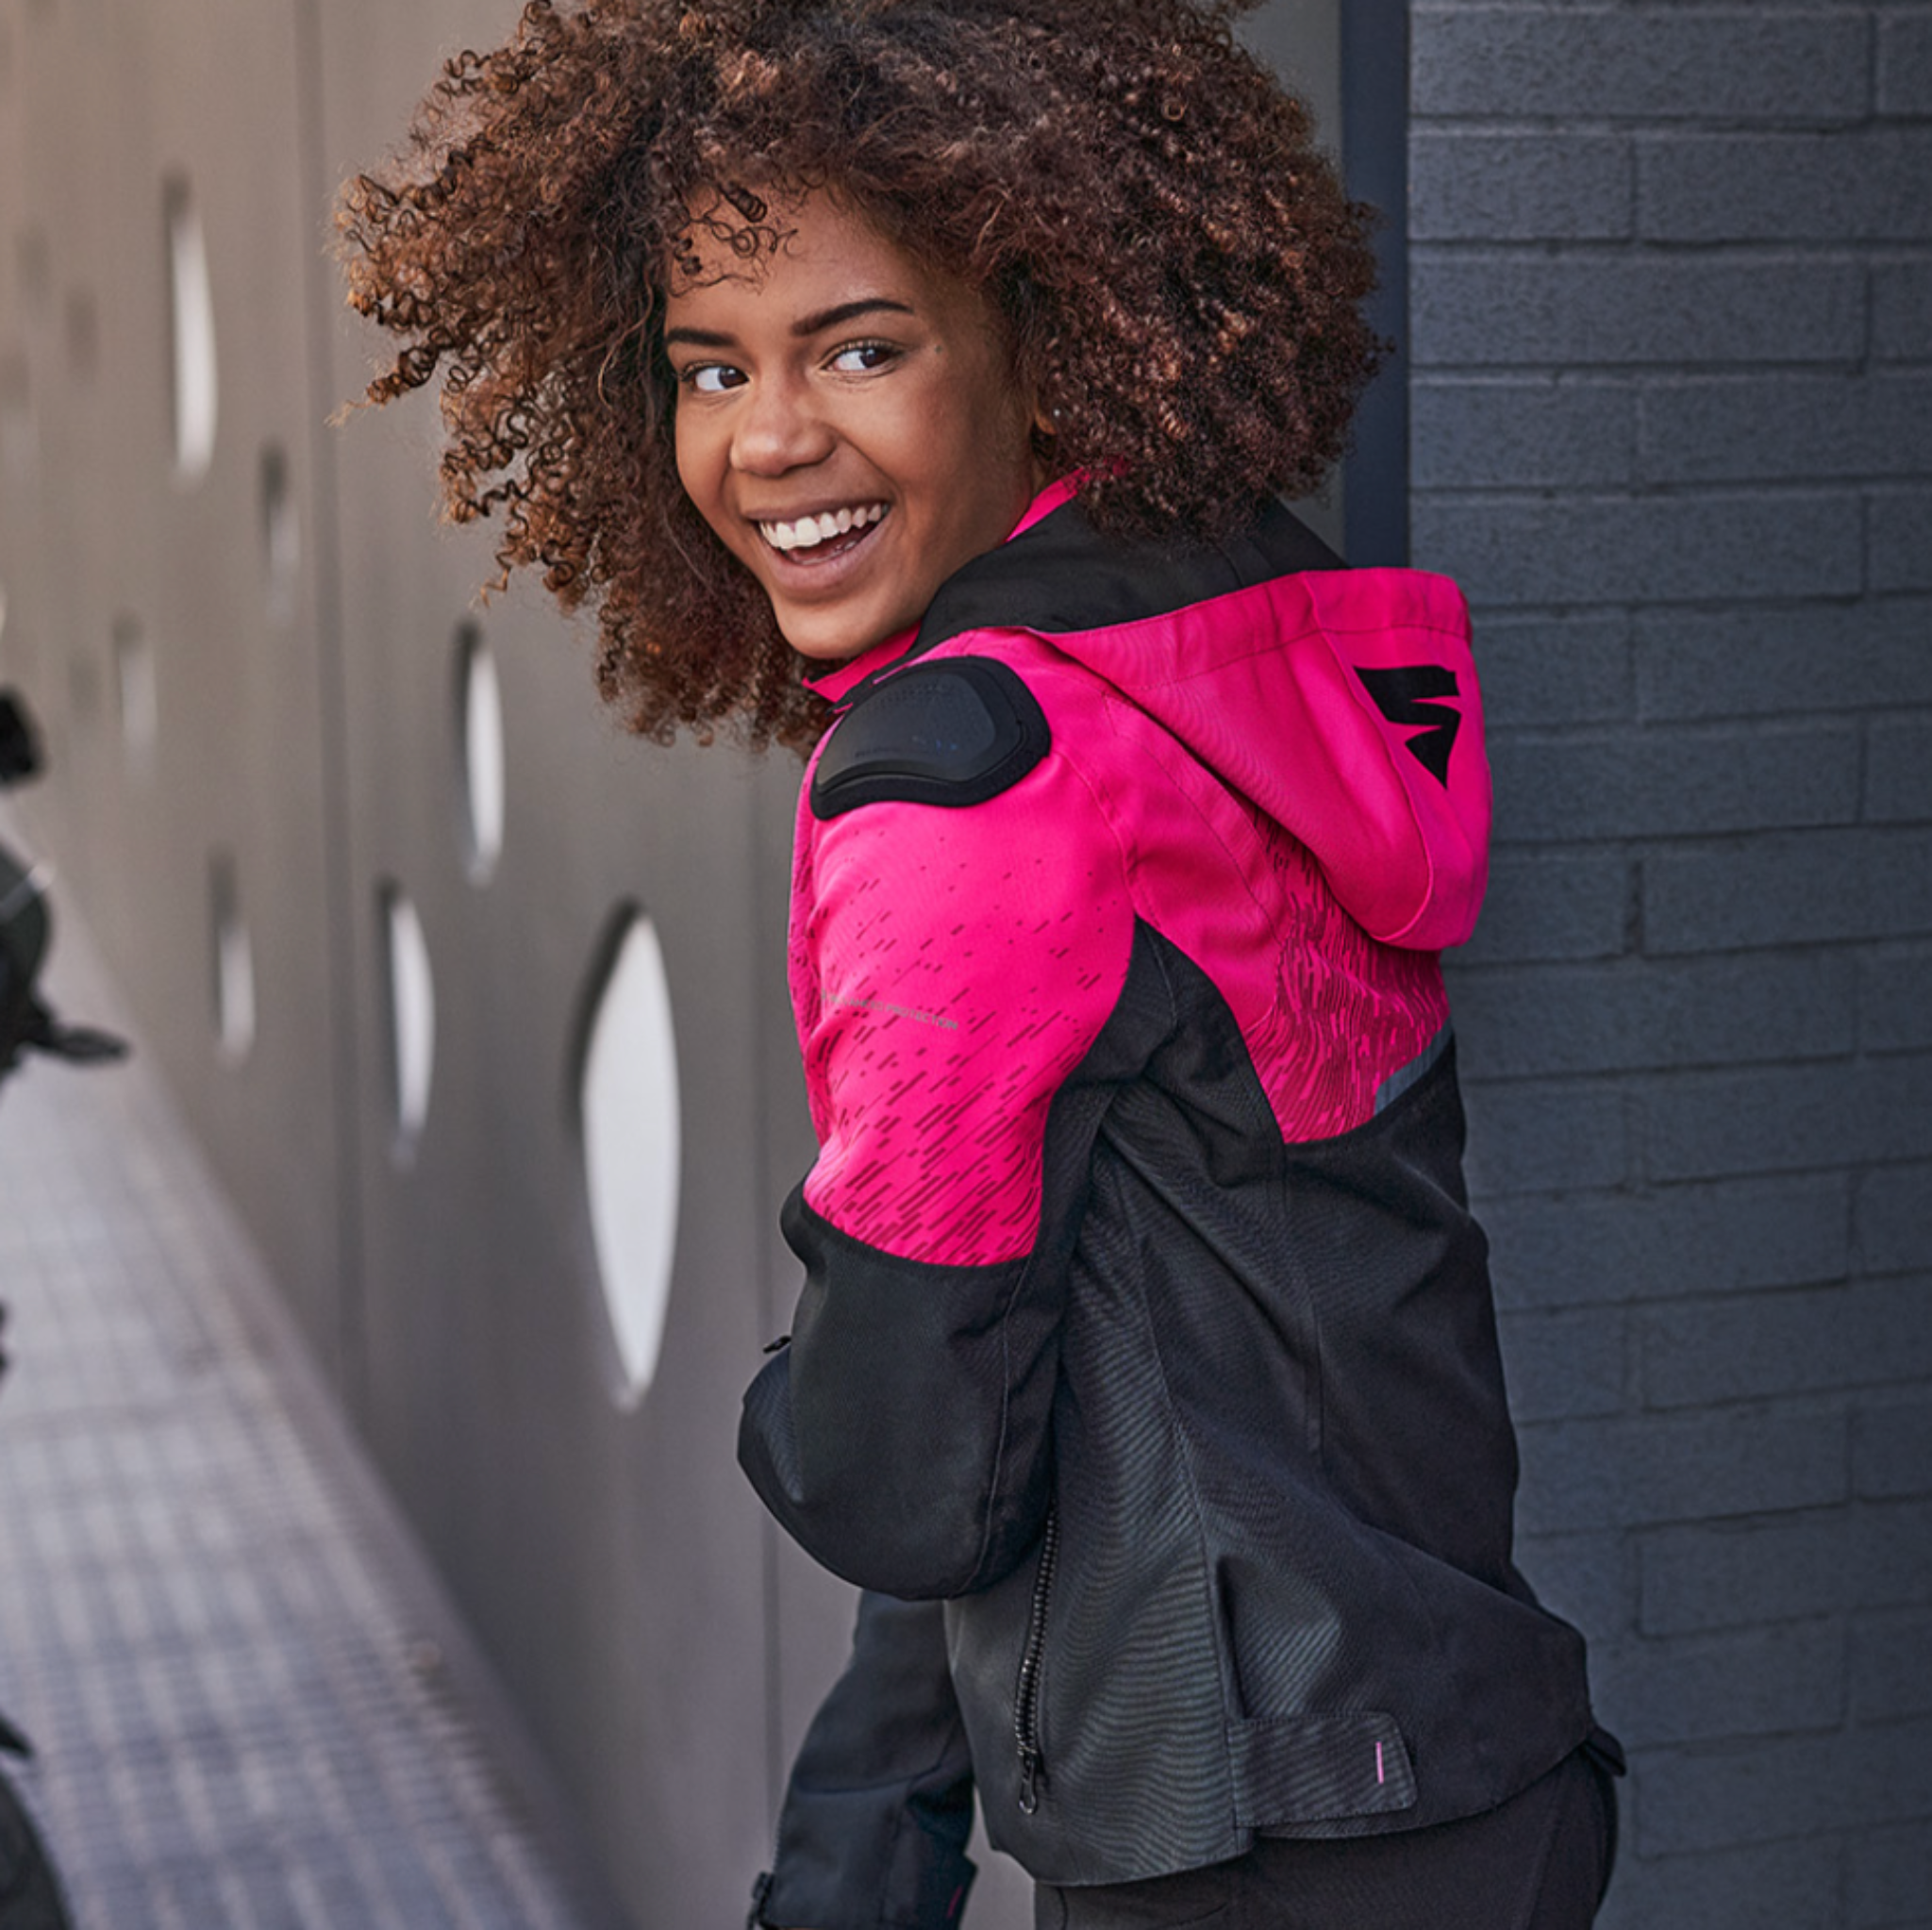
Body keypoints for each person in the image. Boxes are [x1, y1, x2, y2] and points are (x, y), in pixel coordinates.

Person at [337, 4, 1623, 1925]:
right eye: (709, 367)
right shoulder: (1213, 658)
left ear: (1042, 341)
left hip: (1259, 1843)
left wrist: (793, 1398)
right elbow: (1075, 1357)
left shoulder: (968, 781)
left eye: (860, 346)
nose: (769, 440)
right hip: (1461, 1771)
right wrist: (870, 1840)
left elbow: (905, 1478)